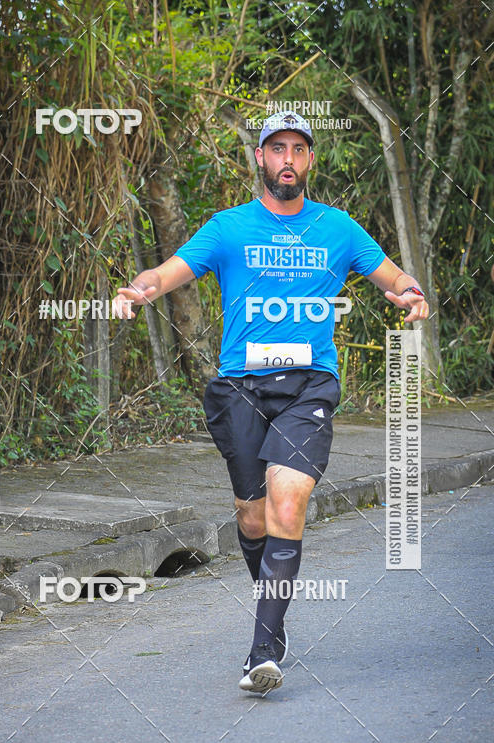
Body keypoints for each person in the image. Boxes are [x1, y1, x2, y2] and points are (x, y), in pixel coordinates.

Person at [112, 112, 429, 693]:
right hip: (240, 388)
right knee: (251, 516)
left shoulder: (338, 229)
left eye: (298, 150)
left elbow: (393, 278)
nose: (287, 158)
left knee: (288, 503)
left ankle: (263, 649)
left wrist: (410, 292)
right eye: (276, 148)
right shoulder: (229, 228)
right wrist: (139, 288)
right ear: (260, 159)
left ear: (309, 161)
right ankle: (273, 612)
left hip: (309, 385)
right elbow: (167, 272)